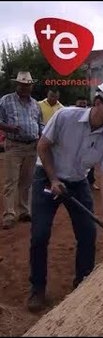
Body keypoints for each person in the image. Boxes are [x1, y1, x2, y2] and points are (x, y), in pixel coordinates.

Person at [28, 76, 103, 312]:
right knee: (40, 235)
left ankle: (83, 285)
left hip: (77, 182)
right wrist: (54, 179)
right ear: (98, 102)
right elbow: (42, 146)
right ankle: (37, 288)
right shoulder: (66, 117)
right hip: (47, 176)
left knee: (87, 235)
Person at [0, 71, 43, 229]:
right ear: (17, 85)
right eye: (23, 84)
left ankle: (24, 211)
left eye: (28, 85)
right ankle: (9, 214)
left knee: (26, 181)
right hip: (14, 145)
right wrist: (9, 127)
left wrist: (41, 135)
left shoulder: (35, 104)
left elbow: (40, 123)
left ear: (32, 86)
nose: (26, 87)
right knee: (11, 181)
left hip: (32, 146)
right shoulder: (6, 100)